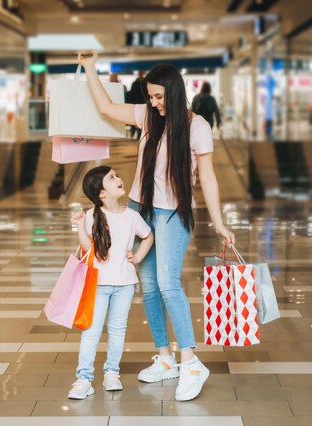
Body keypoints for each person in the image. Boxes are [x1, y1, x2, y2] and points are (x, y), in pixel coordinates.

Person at [78, 51, 235, 402]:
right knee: (147, 287)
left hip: (173, 214)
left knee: (167, 283)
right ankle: (166, 359)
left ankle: (191, 361)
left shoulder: (197, 127)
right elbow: (105, 108)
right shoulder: (149, 117)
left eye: (159, 96)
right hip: (140, 208)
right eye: (150, 96)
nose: (153, 102)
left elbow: (207, 178)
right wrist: (90, 68)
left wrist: (220, 222)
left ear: (175, 93)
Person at [68, 165, 154, 400]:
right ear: (101, 193)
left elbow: (147, 235)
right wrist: (79, 228)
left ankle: (112, 372)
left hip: (125, 284)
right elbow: (88, 249)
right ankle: (84, 378)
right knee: (91, 331)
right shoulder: (92, 215)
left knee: (117, 329)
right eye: (112, 177)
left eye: (117, 175)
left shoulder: (132, 216)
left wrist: (137, 257)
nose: (119, 178)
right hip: (98, 283)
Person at [126, 70, 145, 140]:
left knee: (140, 120)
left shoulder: (142, 83)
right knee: (136, 120)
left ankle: (138, 135)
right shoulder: (138, 83)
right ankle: (136, 134)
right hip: (137, 104)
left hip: (140, 104)